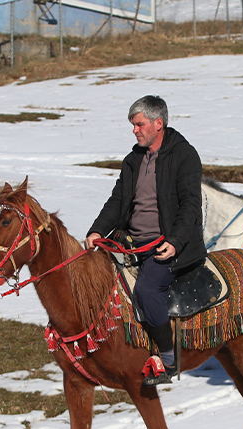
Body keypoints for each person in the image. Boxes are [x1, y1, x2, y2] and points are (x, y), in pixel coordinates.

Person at [86, 95, 206, 387]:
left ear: (158, 123)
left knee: (147, 288)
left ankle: (167, 359)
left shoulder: (184, 155)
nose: (135, 130)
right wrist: (97, 230)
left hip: (169, 246)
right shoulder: (133, 159)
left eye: (139, 124)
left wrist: (175, 242)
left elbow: (191, 204)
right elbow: (117, 201)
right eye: (133, 125)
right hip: (130, 242)